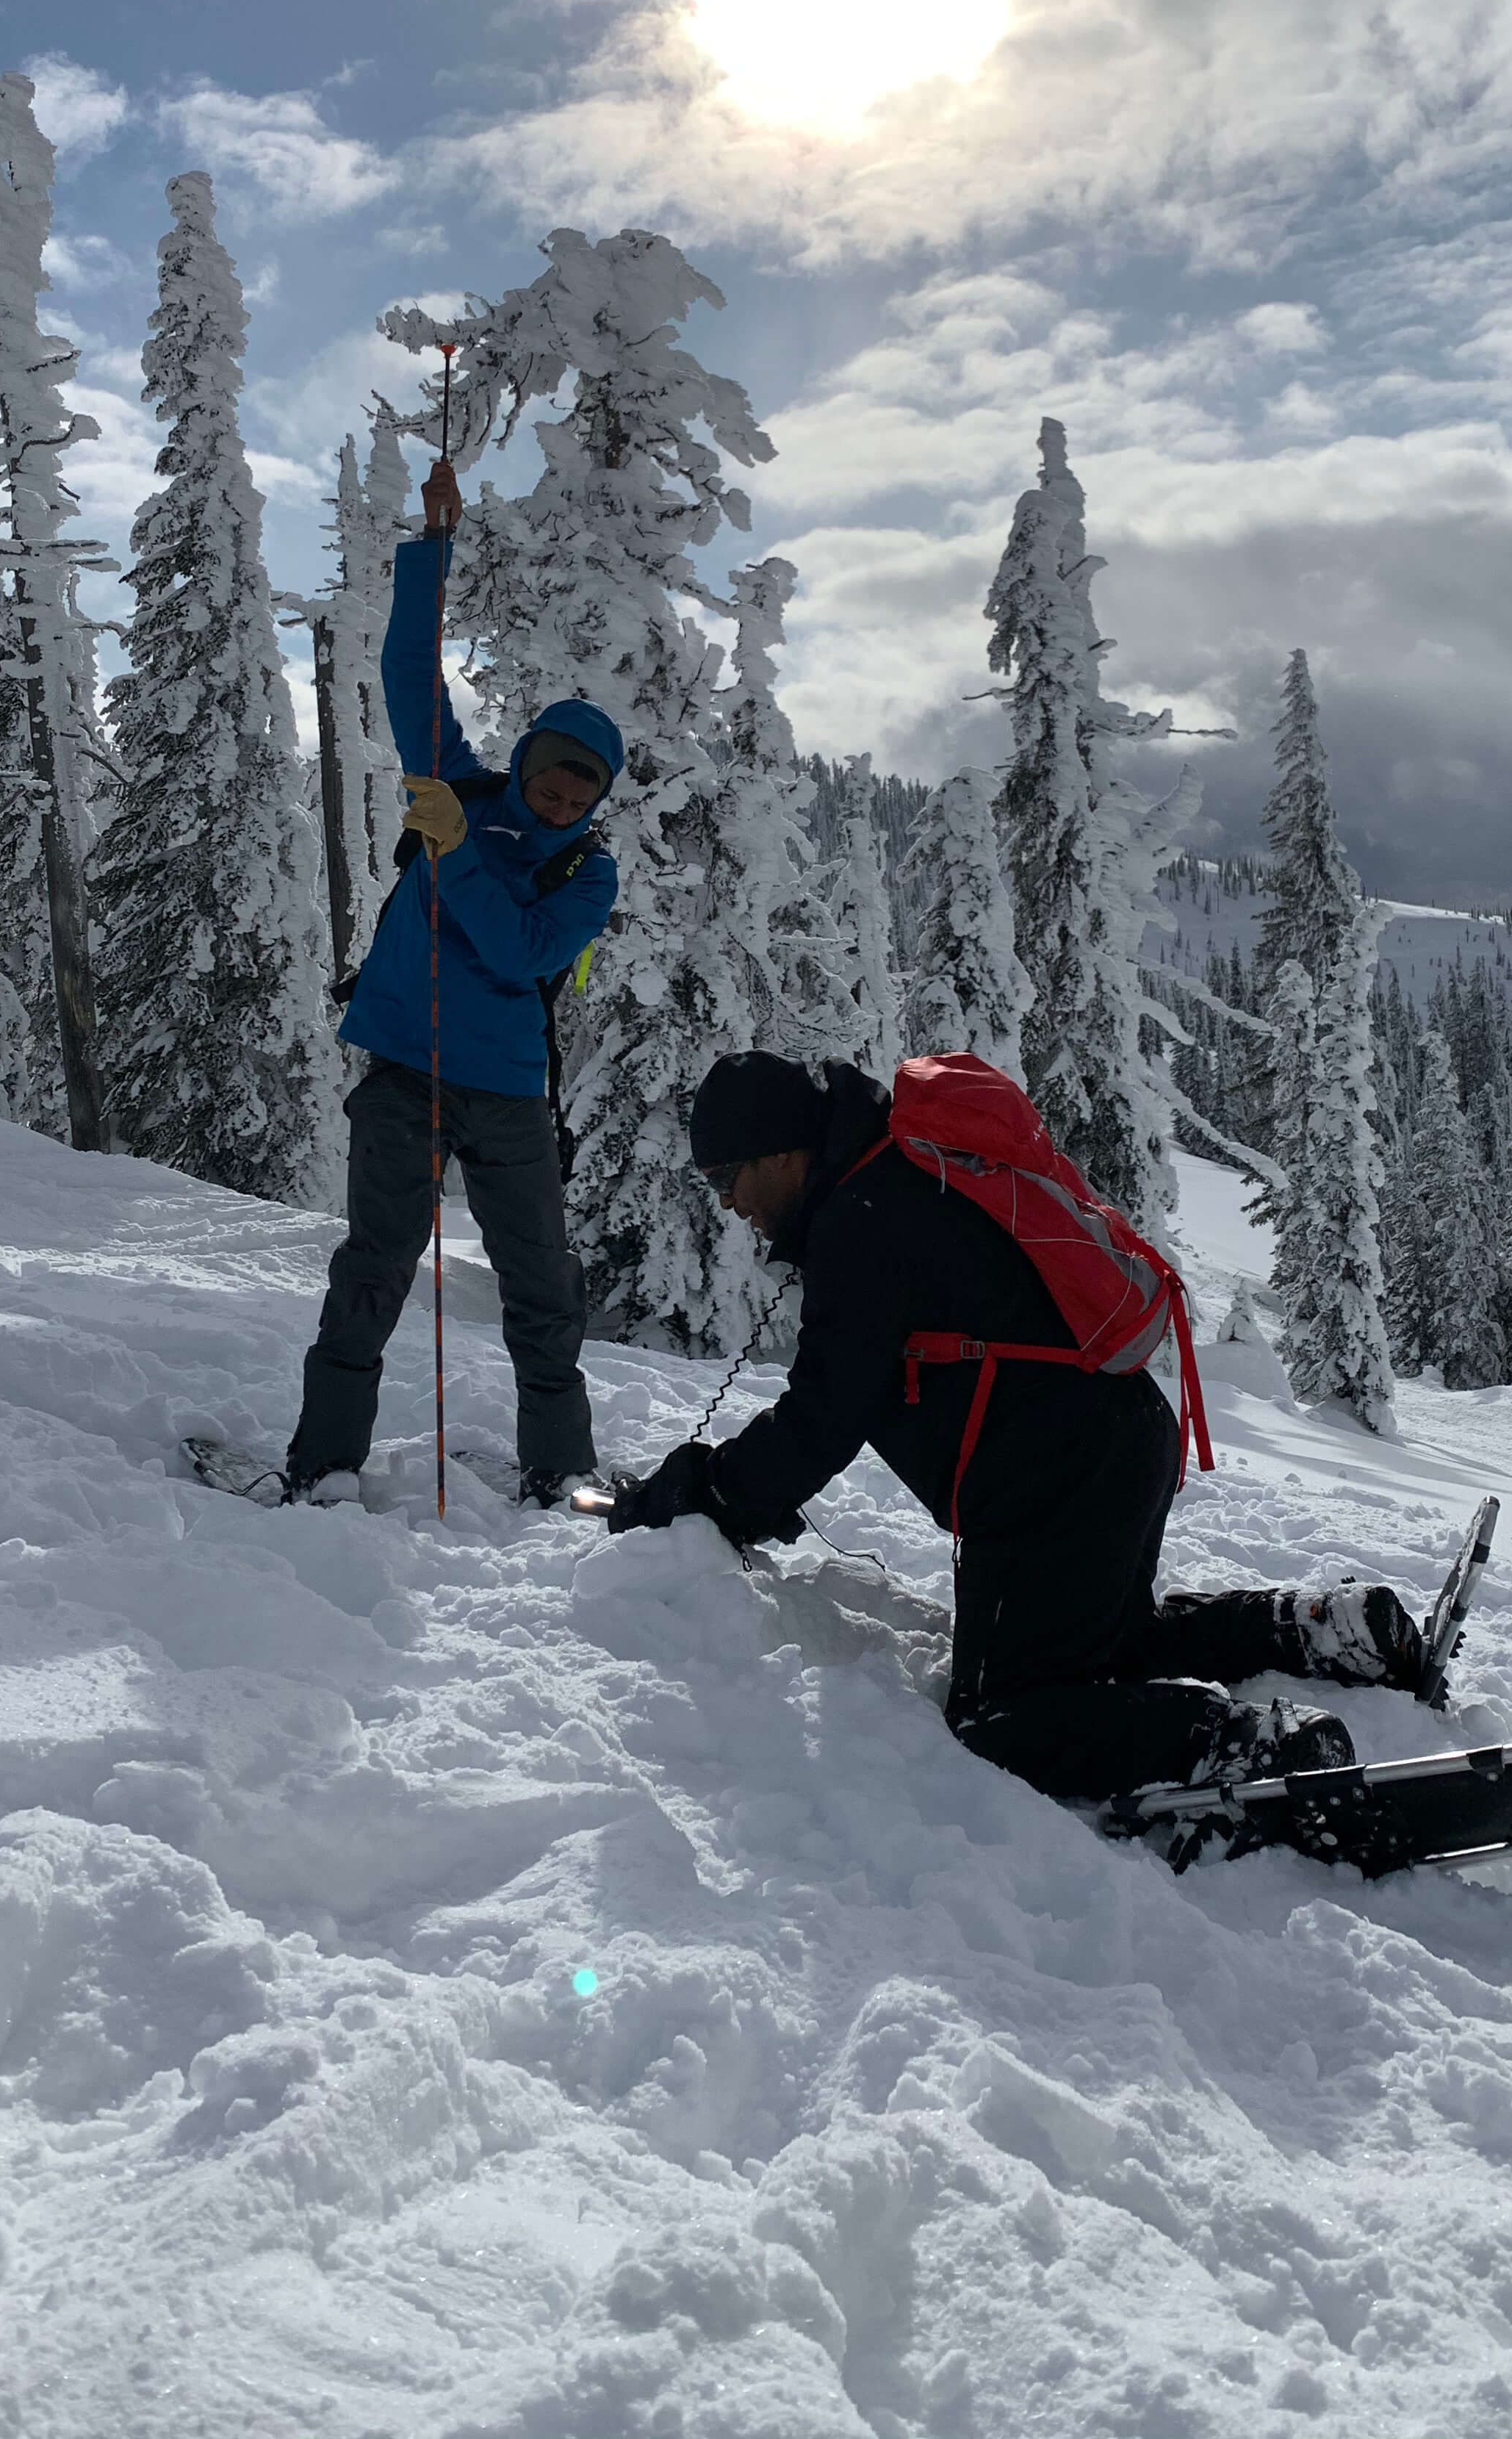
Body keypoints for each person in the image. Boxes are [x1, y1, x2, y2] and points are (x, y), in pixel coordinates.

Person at [602, 1050, 1431, 1805]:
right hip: (1112, 1436)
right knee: (1105, 1650)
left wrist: (712, 1488)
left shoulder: (864, 1216)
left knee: (1003, 1725)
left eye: (725, 1176)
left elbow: (825, 1416)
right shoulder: (887, 1181)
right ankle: (1329, 1627)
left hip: (1053, 1480)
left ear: (778, 1150)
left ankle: (1260, 1751)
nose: (725, 1203)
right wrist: (734, 1488)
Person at [287, 448, 624, 1506]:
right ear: (526, 762)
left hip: (510, 1089)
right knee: (373, 1272)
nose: (566, 800)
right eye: (556, 777)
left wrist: (454, 854)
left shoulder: (587, 871)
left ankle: (561, 1469)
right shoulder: (461, 791)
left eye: (586, 789)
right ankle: (325, 1465)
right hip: (404, 1069)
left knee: (542, 1286)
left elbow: (524, 953)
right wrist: (434, 550)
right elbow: (408, 671)